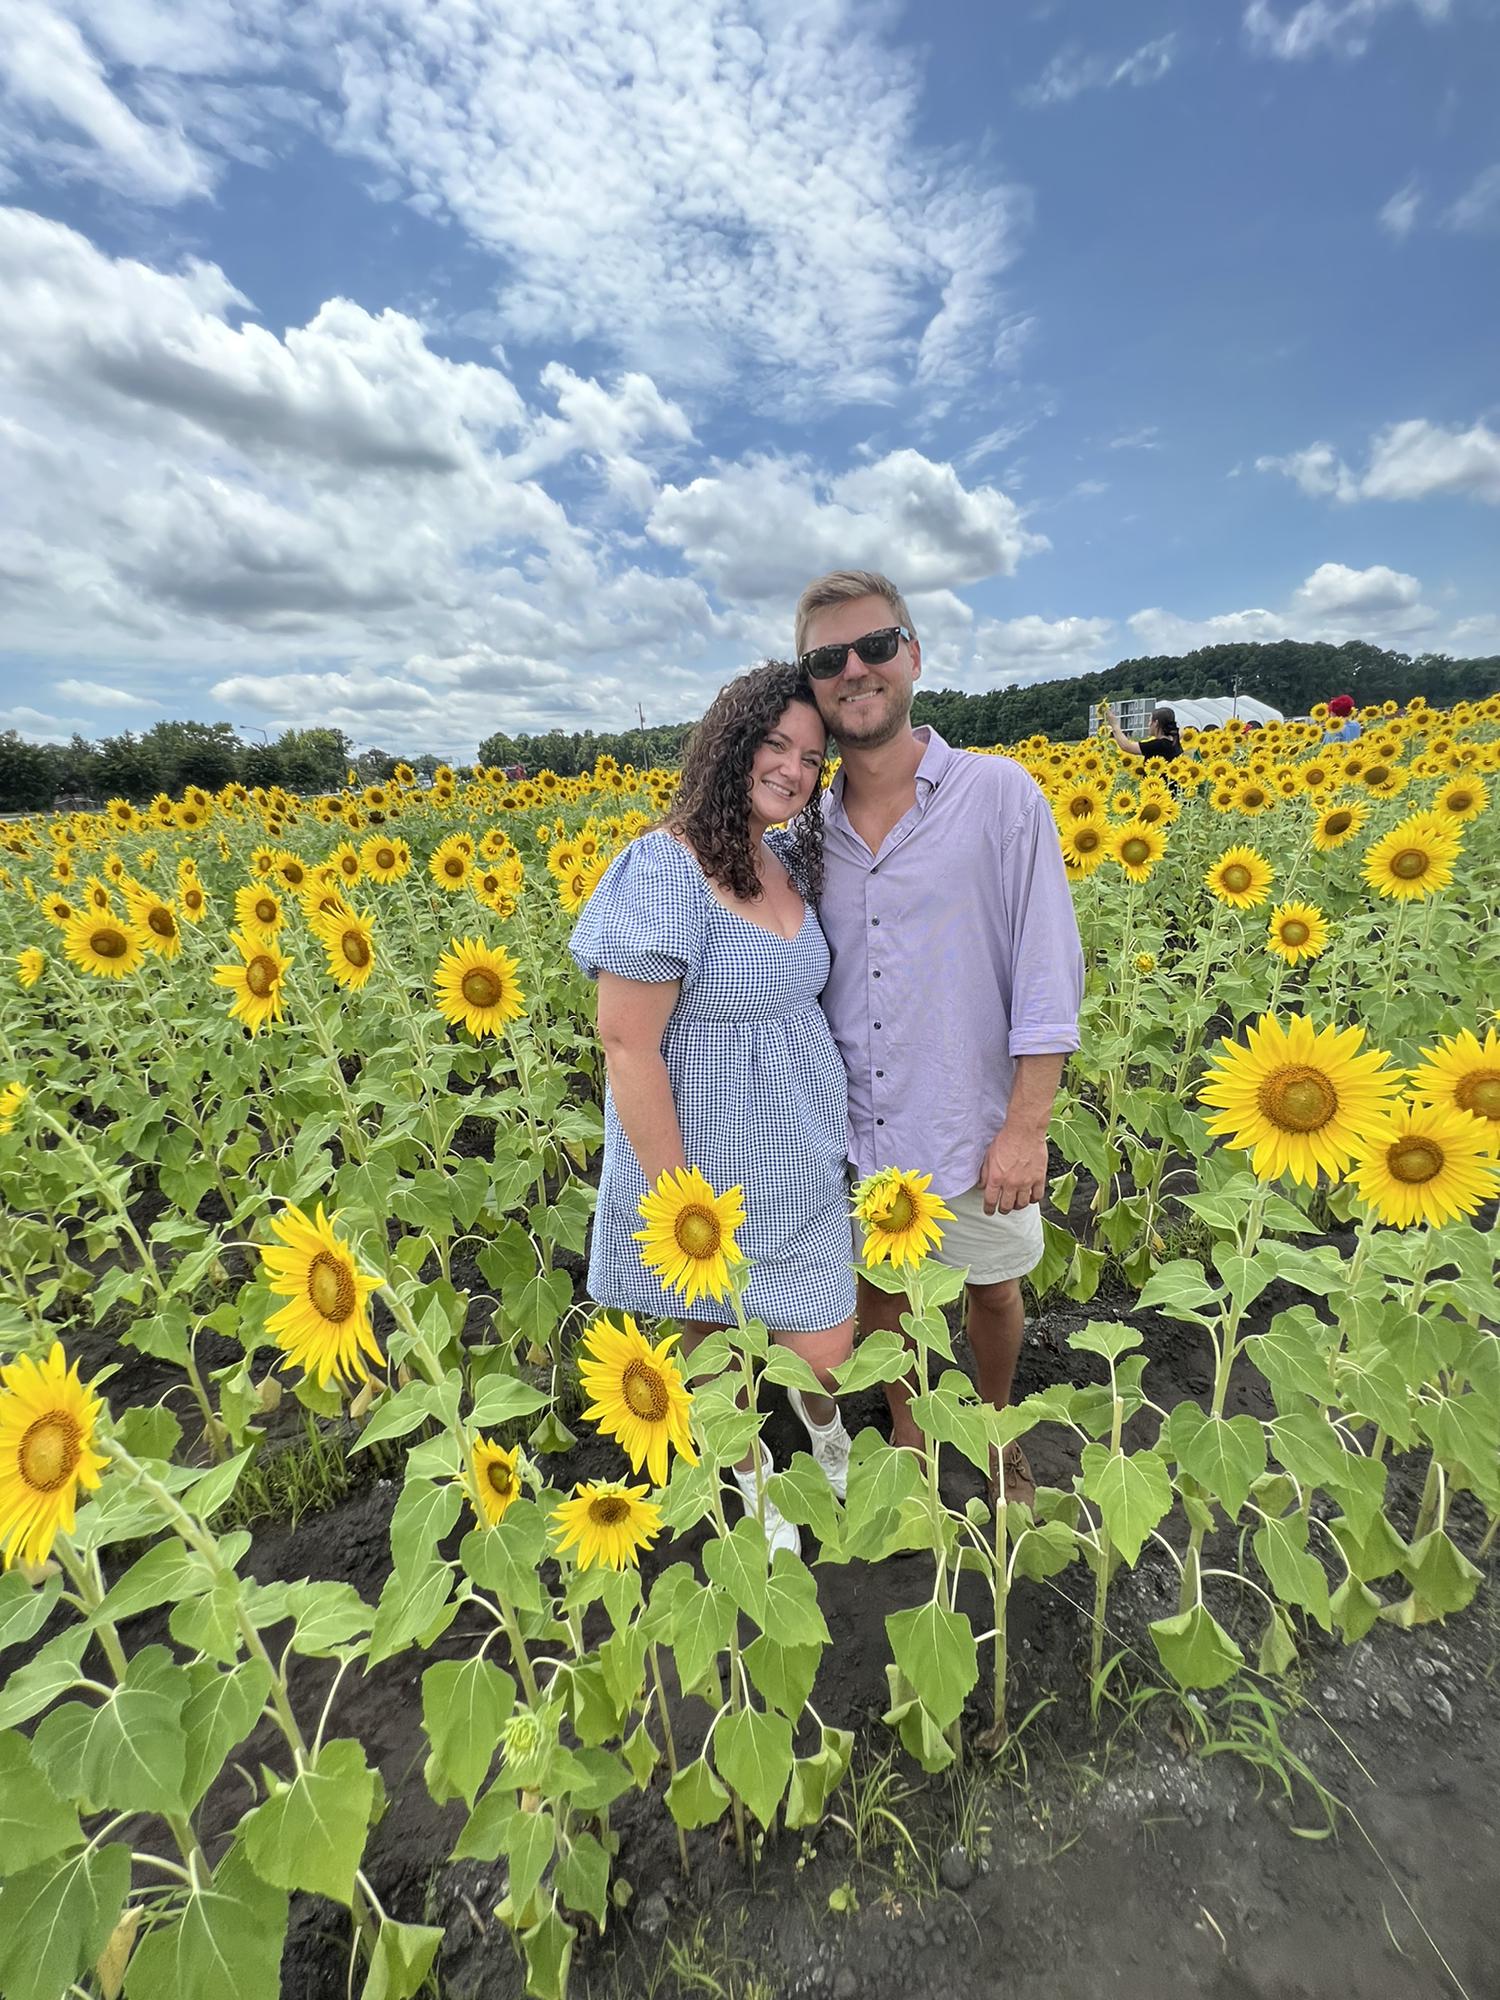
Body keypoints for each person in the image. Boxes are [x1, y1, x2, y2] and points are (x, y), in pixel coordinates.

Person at [794, 571, 1084, 1510]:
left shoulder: (998, 797)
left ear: (913, 655)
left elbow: (1047, 969)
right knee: (883, 1304)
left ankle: (995, 1435)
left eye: (876, 645)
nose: (855, 670)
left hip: (971, 1117)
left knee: (991, 1289)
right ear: (812, 685)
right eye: (827, 659)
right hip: (859, 1132)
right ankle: (916, 1443)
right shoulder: (804, 832)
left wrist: (1026, 1127)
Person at [570, 662, 856, 1556]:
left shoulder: (788, 856)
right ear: (732, 744)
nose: (793, 769)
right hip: (704, 1163)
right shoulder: (664, 867)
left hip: (803, 1151)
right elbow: (627, 1042)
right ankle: (752, 1480)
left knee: (825, 1350)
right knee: (719, 1342)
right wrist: (676, 1200)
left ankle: (827, 1435)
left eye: (812, 757)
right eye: (775, 744)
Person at [1102, 701, 1182, 765]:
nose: (1148, 724)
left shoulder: (1158, 745)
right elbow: (1183, 731)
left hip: (1156, 784)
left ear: (1156, 723)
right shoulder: (1175, 740)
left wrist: (1114, 725)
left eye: (1150, 720)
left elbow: (1127, 746)